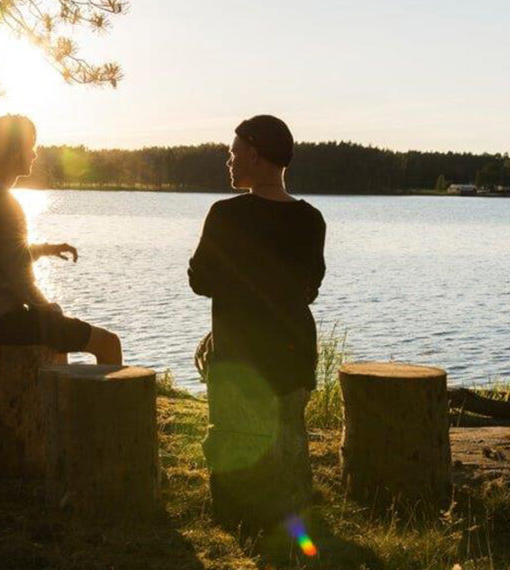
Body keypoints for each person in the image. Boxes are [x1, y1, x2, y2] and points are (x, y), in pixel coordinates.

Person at [188, 115, 326, 531]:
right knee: (288, 439)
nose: (229, 161)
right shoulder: (311, 218)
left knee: (236, 439)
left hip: (240, 356)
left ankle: (243, 523)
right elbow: (309, 287)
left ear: (253, 154)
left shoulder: (226, 215)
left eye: (233, 153)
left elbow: (201, 280)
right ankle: (293, 519)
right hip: (292, 352)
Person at [0, 114, 122, 364]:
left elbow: (0, 255)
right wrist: (48, 307)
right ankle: (107, 403)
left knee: (53, 324)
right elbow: (20, 278)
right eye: (31, 146)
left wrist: (45, 250)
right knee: (107, 343)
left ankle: (59, 397)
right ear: (15, 153)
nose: (35, 154)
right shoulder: (4, 201)